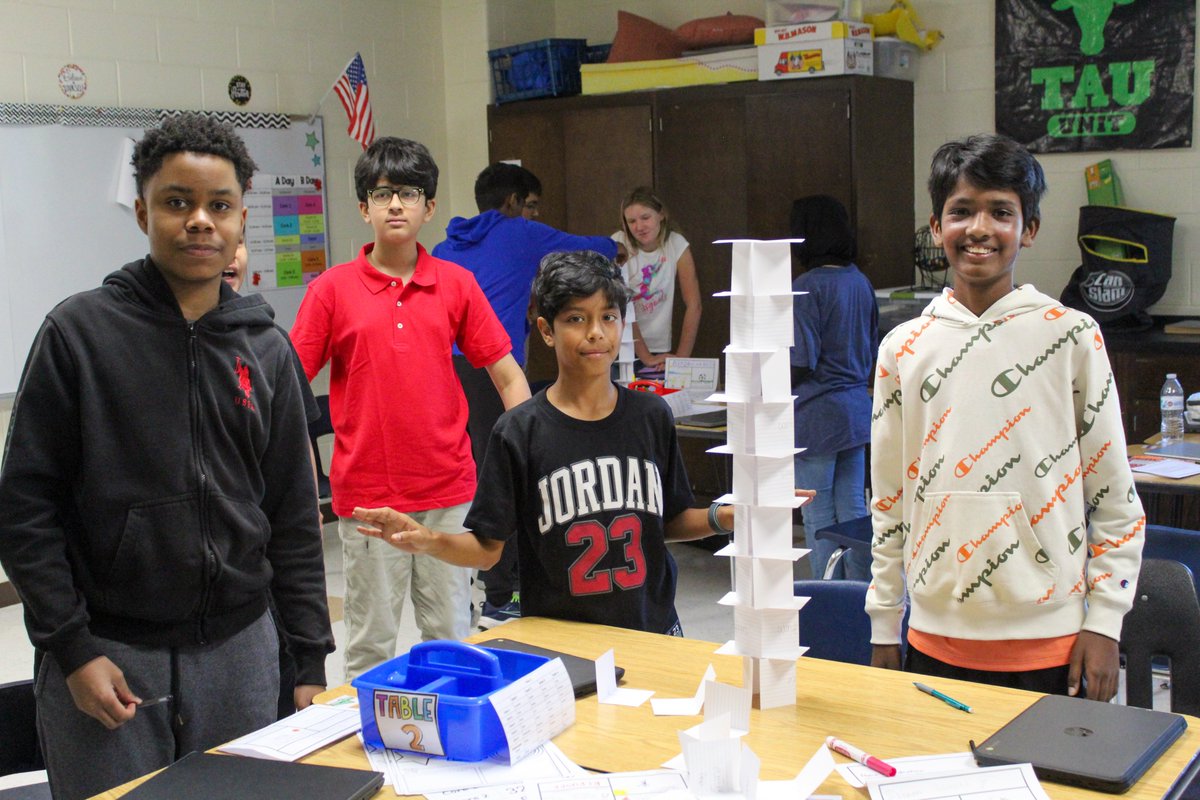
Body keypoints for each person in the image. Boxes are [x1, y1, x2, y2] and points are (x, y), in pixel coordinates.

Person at [0, 113, 334, 799]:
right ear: (143, 211)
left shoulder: (265, 349)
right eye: (177, 203)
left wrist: (307, 660)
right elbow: (25, 508)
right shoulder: (79, 334)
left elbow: (293, 515)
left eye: (218, 206)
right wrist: (73, 648)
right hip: (112, 658)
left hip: (243, 651)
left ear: (242, 219)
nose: (200, 222)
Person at [353, 250, 792, 634]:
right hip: (563, 639)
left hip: (653, 628)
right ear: (546, 330)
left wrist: (733, 516)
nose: (596, 332)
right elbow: (488, 551)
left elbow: (668, 521)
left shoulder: (650, 416)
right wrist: (426, 539)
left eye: (608, 317)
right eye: (576, 319)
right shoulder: (520, 431)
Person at [866, 133, 1145, 701]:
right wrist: (882, 620)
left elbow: (1112, 495)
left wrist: (1105, 621)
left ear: (1030, 228)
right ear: (936, 224)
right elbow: (888, 498)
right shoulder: (903, 346)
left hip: (1053, 644)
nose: (979, 229)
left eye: (1001, 212)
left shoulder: (1071, 336)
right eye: (961, 211)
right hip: (930, 637)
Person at [290, 138, 530, 679]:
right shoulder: (330, 291)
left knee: (452, 638)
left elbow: (509, 375)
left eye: (408, 193)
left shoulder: (456, 284)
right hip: (369, 502)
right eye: (382, 194)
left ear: (429, 207)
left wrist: (525, 459)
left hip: (449, 494)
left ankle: (451, 749)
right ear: (363, 208)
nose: (395, 205)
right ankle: (365, 756)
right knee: (371, 644)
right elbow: (287, 388)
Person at [432, 162, 619, 629]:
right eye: (531, 206)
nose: (535, 217)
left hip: (445, 370)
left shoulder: (443, 246)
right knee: (513, 472)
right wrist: (621, 238)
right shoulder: (518, 233)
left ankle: (488, 581)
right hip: (494, 368)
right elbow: (598, 250)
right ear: (513, 203)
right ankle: (502, 594)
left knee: (475, 473)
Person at [789, 195, 878, 581]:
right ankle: (862, 597)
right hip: (858, 410)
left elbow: (801, 358)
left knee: (818, 512)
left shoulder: (807, 286)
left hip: (816, 413)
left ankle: (824, 595)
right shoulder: (860, 281)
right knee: (855, 511)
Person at [612, 187, 701, 374]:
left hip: (659, 345)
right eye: (632, 221)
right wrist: (646, 357)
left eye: (645, 218)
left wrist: (681, 360)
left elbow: (694, 304)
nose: (639, 227)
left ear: (661, 215)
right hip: (622, 345)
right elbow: (622, 307)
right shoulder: (619, 244)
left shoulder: (676, 244)